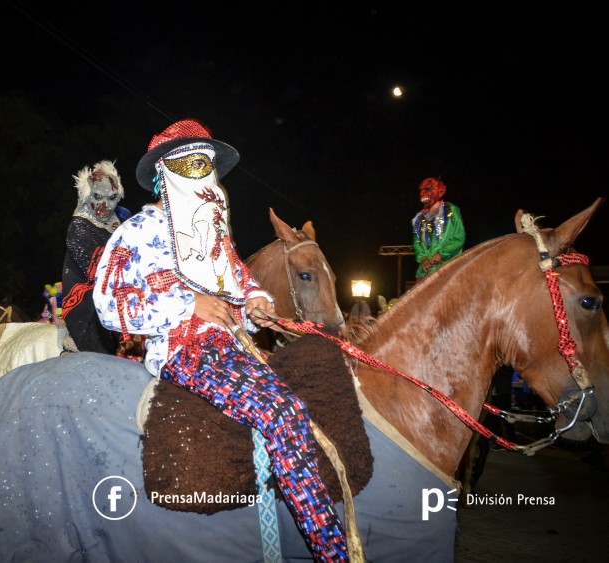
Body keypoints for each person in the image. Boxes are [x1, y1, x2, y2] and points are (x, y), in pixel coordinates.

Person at [92, 119, 348, 562]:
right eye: (194, 166)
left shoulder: (217, 241)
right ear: (166, 173)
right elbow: (109, 304)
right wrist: (187, 305)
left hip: (234, 346)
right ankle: (333, 552)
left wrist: (256, 305)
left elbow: (245, 284)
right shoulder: (135, 232)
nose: (206, 177)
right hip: (185, 349)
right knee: (281, 410)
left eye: (208, 167)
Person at [61, 159, 131, 354]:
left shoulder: (122, 221)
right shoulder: (79, 227)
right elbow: (102, 272)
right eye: (98, 197)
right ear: (87, 195)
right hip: (89, 303)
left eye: (112, 198)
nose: (105, 206)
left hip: (119, 294)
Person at [411, 176, 466, 282]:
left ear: (442, 190)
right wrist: (423, 259)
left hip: (448, 270)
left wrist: (441, 254)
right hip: (424, 274)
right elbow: (417, 243)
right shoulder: (418, 218)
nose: (422, 193)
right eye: (421, 190)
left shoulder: (452, 210)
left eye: (427, 189)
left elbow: (459, 237)